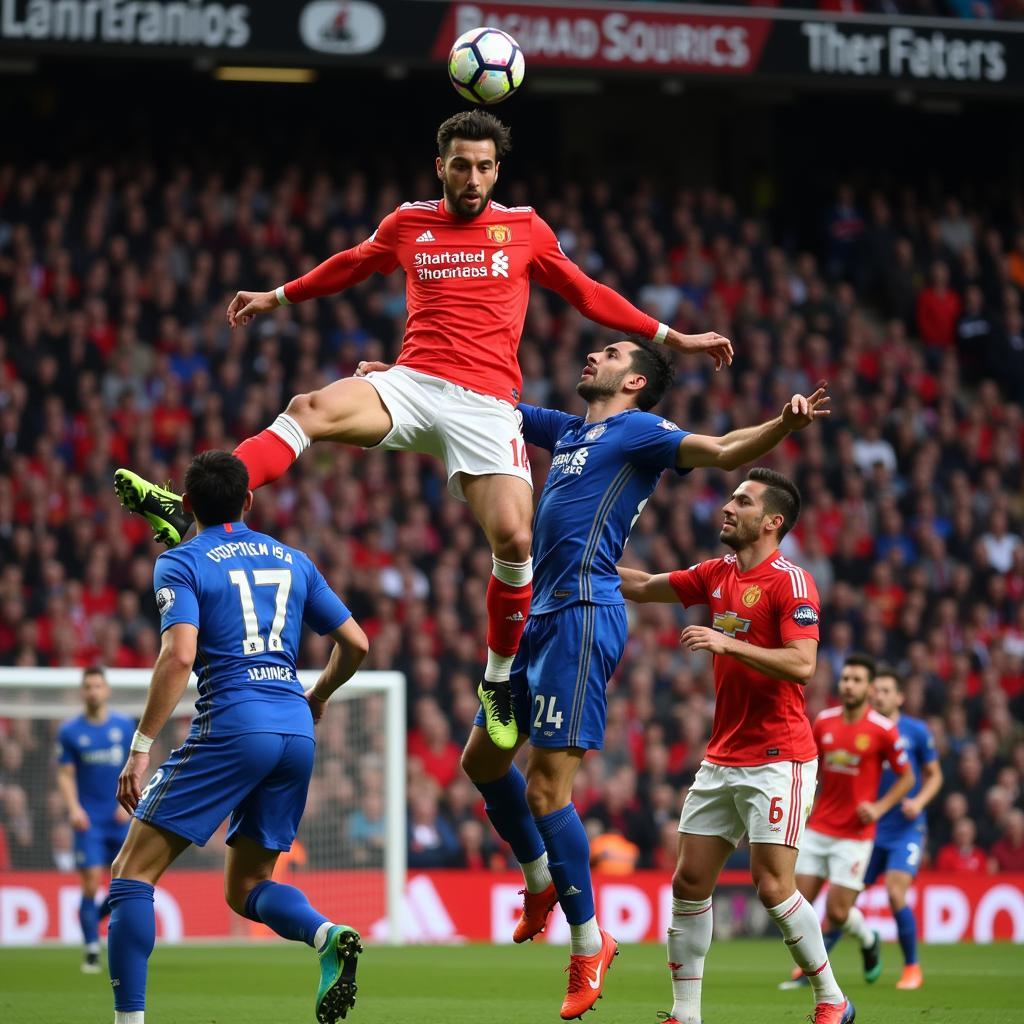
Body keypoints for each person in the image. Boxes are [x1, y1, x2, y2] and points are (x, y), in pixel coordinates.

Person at [112, 109, 732, 755]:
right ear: (441, 166)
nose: (472, 177)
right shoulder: (409, 223)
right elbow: (353, 263)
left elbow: (586, 292)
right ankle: (188, 507)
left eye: (484, 166)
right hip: (413, 382)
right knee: (309, 408)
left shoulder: (524, 230)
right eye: (460, 165)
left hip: (490, 406)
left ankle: (495, 681)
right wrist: (279, 296)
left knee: (517, 540)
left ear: (498, 170)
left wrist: (670, 336)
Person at [437, 342, 829, 1019]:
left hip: (583, 617)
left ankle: (589, 943)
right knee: (481, 759)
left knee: (543, 789)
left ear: (637, 380)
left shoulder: (641, 432)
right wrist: (400, 382)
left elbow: (725, 447)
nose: (592, 353)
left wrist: (782, 426)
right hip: (539, 612)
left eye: (611, 351)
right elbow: (485, 403)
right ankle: (539, 881)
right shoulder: (566, 430)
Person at [107, 451, 370, 1024]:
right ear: (249, 500)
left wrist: (140, 745)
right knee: (248, 885)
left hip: (234, 723)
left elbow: (179, 655)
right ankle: (325, 935)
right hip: (295, 729)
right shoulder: (294, 560)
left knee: (131, 874)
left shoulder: (180, 562)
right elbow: (357, 644)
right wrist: (319, 695)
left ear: (187, 505)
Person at [619, 468, 856, 1024]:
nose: (728, 507)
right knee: (689, 881)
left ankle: (832, 998)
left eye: (742, 501)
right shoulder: (717, 572)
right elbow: (645, 585)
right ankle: (685, 1013)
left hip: (780, 757)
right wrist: (579, 564)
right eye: (730, 498)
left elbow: (803, 663)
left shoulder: (792, 583)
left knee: (773, 887)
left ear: (772, 522)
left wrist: (727, 641)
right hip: (722, 756)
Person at [779, 655, 914, 993]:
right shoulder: (824, 722)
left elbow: (907, 777)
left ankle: (868, 940)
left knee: (838, 913)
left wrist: (881, 807)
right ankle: (813, 975)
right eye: (846, 679)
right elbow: (809, 766)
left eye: (856, 680)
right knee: (794, 903)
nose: (849, 685)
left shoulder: (883, 730)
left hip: (855, 835)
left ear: (869, 689)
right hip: (820, 827)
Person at [863, 666, 943, 990]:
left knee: (896, 892)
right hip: (868, 827)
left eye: (885, 690)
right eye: (876, 690)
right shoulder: (864, 730)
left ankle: (912, 968)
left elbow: (935, 774)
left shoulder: (916, 731)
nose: (878, 695)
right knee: (844, 896)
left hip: (905, 829)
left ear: (900, 696)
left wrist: (920, 801)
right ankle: (812, 967)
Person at [56, 667, 135, 973]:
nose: (93, 691)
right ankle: (91, 947)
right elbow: (64, 773)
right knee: (90, 883)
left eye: (97, 686)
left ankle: (95, 921)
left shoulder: (124, 726)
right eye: (87, 686)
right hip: (89, 820)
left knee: (123, 884)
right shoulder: (70, 731)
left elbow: (138, 763)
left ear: (107, 690)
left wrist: (130, 800)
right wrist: (74, 808)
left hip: (119, 816)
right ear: (82, 691)